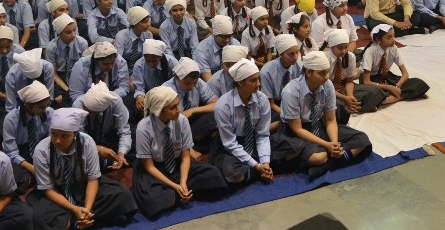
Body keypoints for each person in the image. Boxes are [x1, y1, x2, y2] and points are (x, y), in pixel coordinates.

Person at [28, 107, 136, 230]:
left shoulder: (87, 142)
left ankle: (79, 220)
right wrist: (74, 209)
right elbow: (48, 189)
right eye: (54, 134)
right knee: (38, 216)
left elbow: (93, 179)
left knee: (122, 195)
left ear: (75, 134)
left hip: (82, 185)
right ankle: (84, 221)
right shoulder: (41, 151)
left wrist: (87, 208)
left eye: (64, 136)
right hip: (56, 192)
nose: (58, 141)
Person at [131, 86, 227, 219]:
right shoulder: (143, 127)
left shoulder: (182, 120)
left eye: (178, 105)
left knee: (214, 175)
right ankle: (180, 193)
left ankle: (178, 193)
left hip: (177, 165)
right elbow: (149, 166)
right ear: (159, 111)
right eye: (173, 108)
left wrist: (182, 182)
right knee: (152, 199)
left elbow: (186, 157)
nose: (179, 110)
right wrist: (175, 186)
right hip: (155, 169)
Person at [279, 51, 371, 180]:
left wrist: (334, 144)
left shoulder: (327, 85)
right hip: (298, 132)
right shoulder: (291, 91)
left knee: (362, 139)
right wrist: (327, 145)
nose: (327, 77)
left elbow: (330, 120)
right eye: (322, 73)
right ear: (309, 72)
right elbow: (297, 128)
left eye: (327, 72)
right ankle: (331, 158)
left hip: (319, 124)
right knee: (318, 157)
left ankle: (327, 165)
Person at [210, 58, 300, 186]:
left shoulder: (261, 99)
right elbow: (230, 143)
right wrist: (257, 165)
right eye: (253, 80)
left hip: (253, 140)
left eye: (258, 79)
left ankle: (262, 169)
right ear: (240, 82)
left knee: (296, 146)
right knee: (233, 175)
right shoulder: (223, 106)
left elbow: (262, 135)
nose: (258, 84)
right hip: (231, 146)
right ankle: (259, 170)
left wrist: (265, 162)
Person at [2, 81, 53, 194]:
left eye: (46, 106)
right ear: (28, 105)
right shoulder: (11, 119)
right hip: (21, 153)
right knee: (18, 179)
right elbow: (11, 152)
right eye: (40, 107)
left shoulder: (49, 113)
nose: (44, 110)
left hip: (42, 150)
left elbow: (51, 141)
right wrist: (31, 168)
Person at [360, 24, 430, 104]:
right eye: (389, 37)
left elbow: (405, 74)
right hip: (372, 80)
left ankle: (394, 98)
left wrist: (396, 86)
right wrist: (390, 87)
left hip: (385, 76)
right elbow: (366, 82)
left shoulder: (394, 48)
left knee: (419, 82)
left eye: (393, 36)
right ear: (379, 40)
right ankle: (403, 95)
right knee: (372, 93)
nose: (393, 40)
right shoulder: (370, 52)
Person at [325, 29, 386, 116]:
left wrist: (350, 97)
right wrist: (344, 98)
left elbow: (349, 81)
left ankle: (350, 106)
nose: (343, 51)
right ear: (331, 46)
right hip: (327, 88)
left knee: (375, 90)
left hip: (342, 86)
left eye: (346, 47)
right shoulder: (325, 59)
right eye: (340, 48)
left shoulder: (350, 56)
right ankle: (353, 107)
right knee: (329, 101)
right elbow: (325, 86)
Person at [73, 82, 132, 172]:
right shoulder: (78, 105)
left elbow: (124, 131)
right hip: (89, 138)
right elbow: (79, 137)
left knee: (133, 146)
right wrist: (99, 149)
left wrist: (121, 154)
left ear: (103, 109)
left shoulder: (116, 101)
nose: (86, 112)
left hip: (110, 135)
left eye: (91, 112)